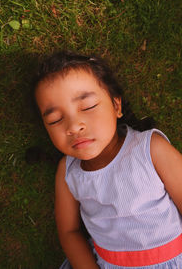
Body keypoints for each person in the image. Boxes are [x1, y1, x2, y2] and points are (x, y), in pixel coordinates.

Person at [33, 51, 182, 269]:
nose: (74, 126)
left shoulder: (150, 150)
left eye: (88, 106)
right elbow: (68, 231)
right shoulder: (68, 172)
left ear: (116, 106)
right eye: (55, 120)